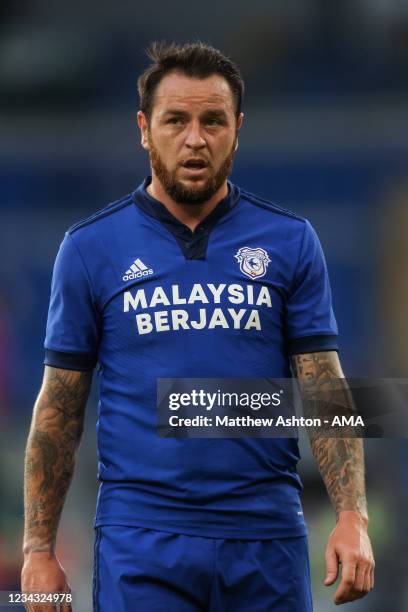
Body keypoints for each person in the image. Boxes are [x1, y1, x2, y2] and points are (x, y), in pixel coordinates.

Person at [21, 42, 374, 612]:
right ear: (143, 128)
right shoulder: (89, 249)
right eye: (175, 120)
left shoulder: (291, 241)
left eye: (213, 121)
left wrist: (353, 517)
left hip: (267, 541)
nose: (195, 139)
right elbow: (58, 409)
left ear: (237, 128)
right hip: (142, 543)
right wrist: (38, 549)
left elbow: (323, 386)